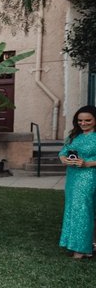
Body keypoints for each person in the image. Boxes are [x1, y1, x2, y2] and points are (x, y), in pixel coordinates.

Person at [58, 105, 96, 259]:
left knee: (83, 211)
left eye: (88, 120)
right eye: (80, 120)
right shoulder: (74, 135)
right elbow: (62, 152)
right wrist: (64, 159)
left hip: (89, 177)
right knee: (72, 209)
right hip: (73, 177)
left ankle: (81, 249)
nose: (83, 123)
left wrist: (87, 163)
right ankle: (75, 243)